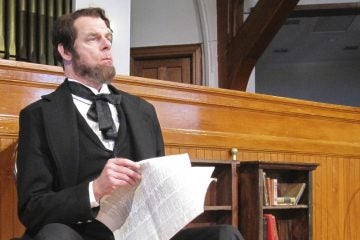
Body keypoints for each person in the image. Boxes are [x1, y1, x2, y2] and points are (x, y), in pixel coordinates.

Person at [16, 7, 244, 240]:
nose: (106, 45)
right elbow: (32, 208)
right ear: (65, 51)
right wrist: (94, 190)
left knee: (224, 235)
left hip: (140, 234)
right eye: (93, 39)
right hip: (78, 232)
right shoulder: (39, 116)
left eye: (108, 38)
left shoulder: (143, 111)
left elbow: (157, 188)